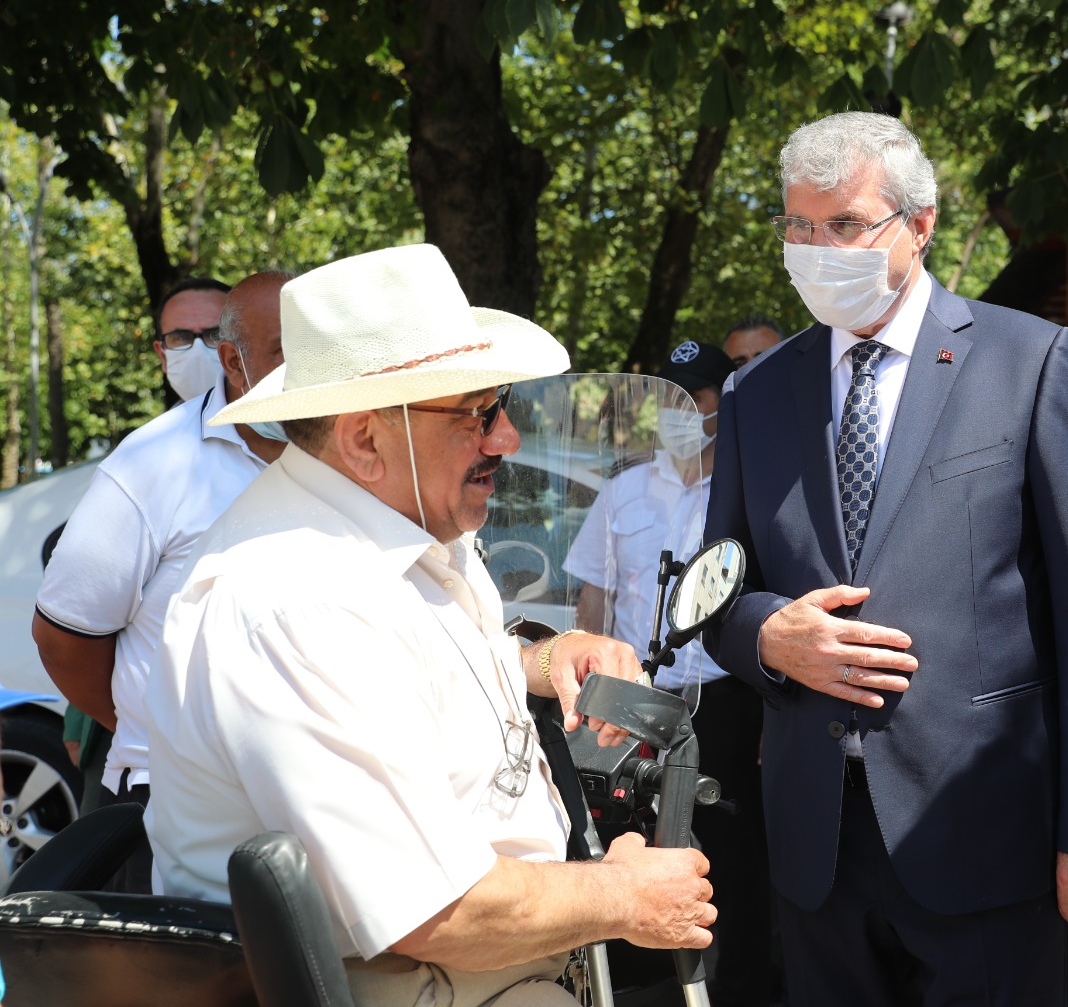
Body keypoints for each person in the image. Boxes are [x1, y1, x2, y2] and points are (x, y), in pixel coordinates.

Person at [145, 244, 715, 1007]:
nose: (506, 438)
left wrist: (547, 661)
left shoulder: (401, 526)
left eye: (501, 402)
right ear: (364, 438)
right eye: (479, 413)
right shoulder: (295, 595)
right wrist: (626, 897)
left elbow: (433, 654)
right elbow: (433, 910)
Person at [701, 112, 1068, 1006]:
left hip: (985, 837)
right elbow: (720, 586)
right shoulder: (759, 392)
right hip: (816, 843)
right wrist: (765, 636)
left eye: (845, 225)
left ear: (922, 224)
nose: (816, 247)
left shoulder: (1029, 360)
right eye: (798, 225)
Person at [33, 271, 290, 890]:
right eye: (289, 350)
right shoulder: (152, 464)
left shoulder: (354, 455)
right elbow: (65, 639)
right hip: (171, 809)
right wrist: (157, 726)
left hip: (309, 804)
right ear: (235, 359)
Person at [564, 339, 777, 1006]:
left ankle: (739, 987)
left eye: (695, 398)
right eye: (666, 396)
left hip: (725, 697)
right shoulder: (624, 489)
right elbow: (593, 596)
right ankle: (640, 988)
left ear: (722, 407)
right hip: (636, 700)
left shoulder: (745, 492)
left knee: (734, 855)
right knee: (632, 844)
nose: (676, 411)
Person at [152, 276, 231, 402]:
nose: (198, 350)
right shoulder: (160, 423)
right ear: (162, 355)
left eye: (216, 335)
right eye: (181, 337)